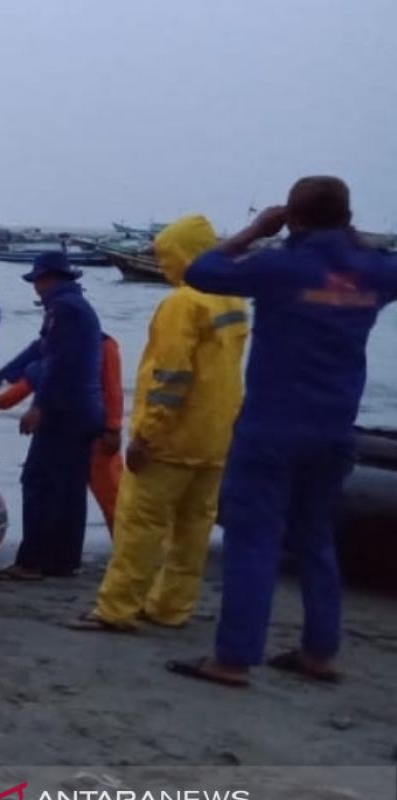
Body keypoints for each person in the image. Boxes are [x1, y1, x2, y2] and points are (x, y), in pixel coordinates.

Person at [166, 177, 397, 688]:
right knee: (316, 539)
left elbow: (202, 271)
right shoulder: (377, 272)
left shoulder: (282, 265)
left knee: (254, 542)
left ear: (291, 217)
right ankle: (319, 653)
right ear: (346, 214)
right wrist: (355, 243)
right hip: (336, 429)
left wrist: (253, 230)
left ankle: (233, 658)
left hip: (271, 427)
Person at [68, 215, 248, 632]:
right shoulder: (234, 300)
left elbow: (170, 377)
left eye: (166, 256)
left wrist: (145, 434)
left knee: (140, 527)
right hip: (217, 438)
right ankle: (172, 608)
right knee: (194, 529)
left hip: (171, 440)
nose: (163, 264)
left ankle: (116, 609)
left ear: (183, 256)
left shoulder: (182, 303)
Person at [0, 252, 104, 581]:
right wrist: (2, 375)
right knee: (68, 489)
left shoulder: (64, 309)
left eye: (37, 281)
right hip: (83, 410)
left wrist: (38, 406)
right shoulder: (76, 306)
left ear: (48, 278)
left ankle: (32, 561)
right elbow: (40, 349)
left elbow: (56, 363)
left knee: (38, 483)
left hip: (63, 411)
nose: (35, 289)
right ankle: (63, 560)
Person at [0, 331, 124, 535]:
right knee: (60, 497)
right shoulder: (53, 342)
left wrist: (113, 427)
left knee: (113, 498)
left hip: (97, 434)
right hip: (62, 434)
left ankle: (130, 555)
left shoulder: (103, 345)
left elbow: (113, 389)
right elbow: (33, 379)